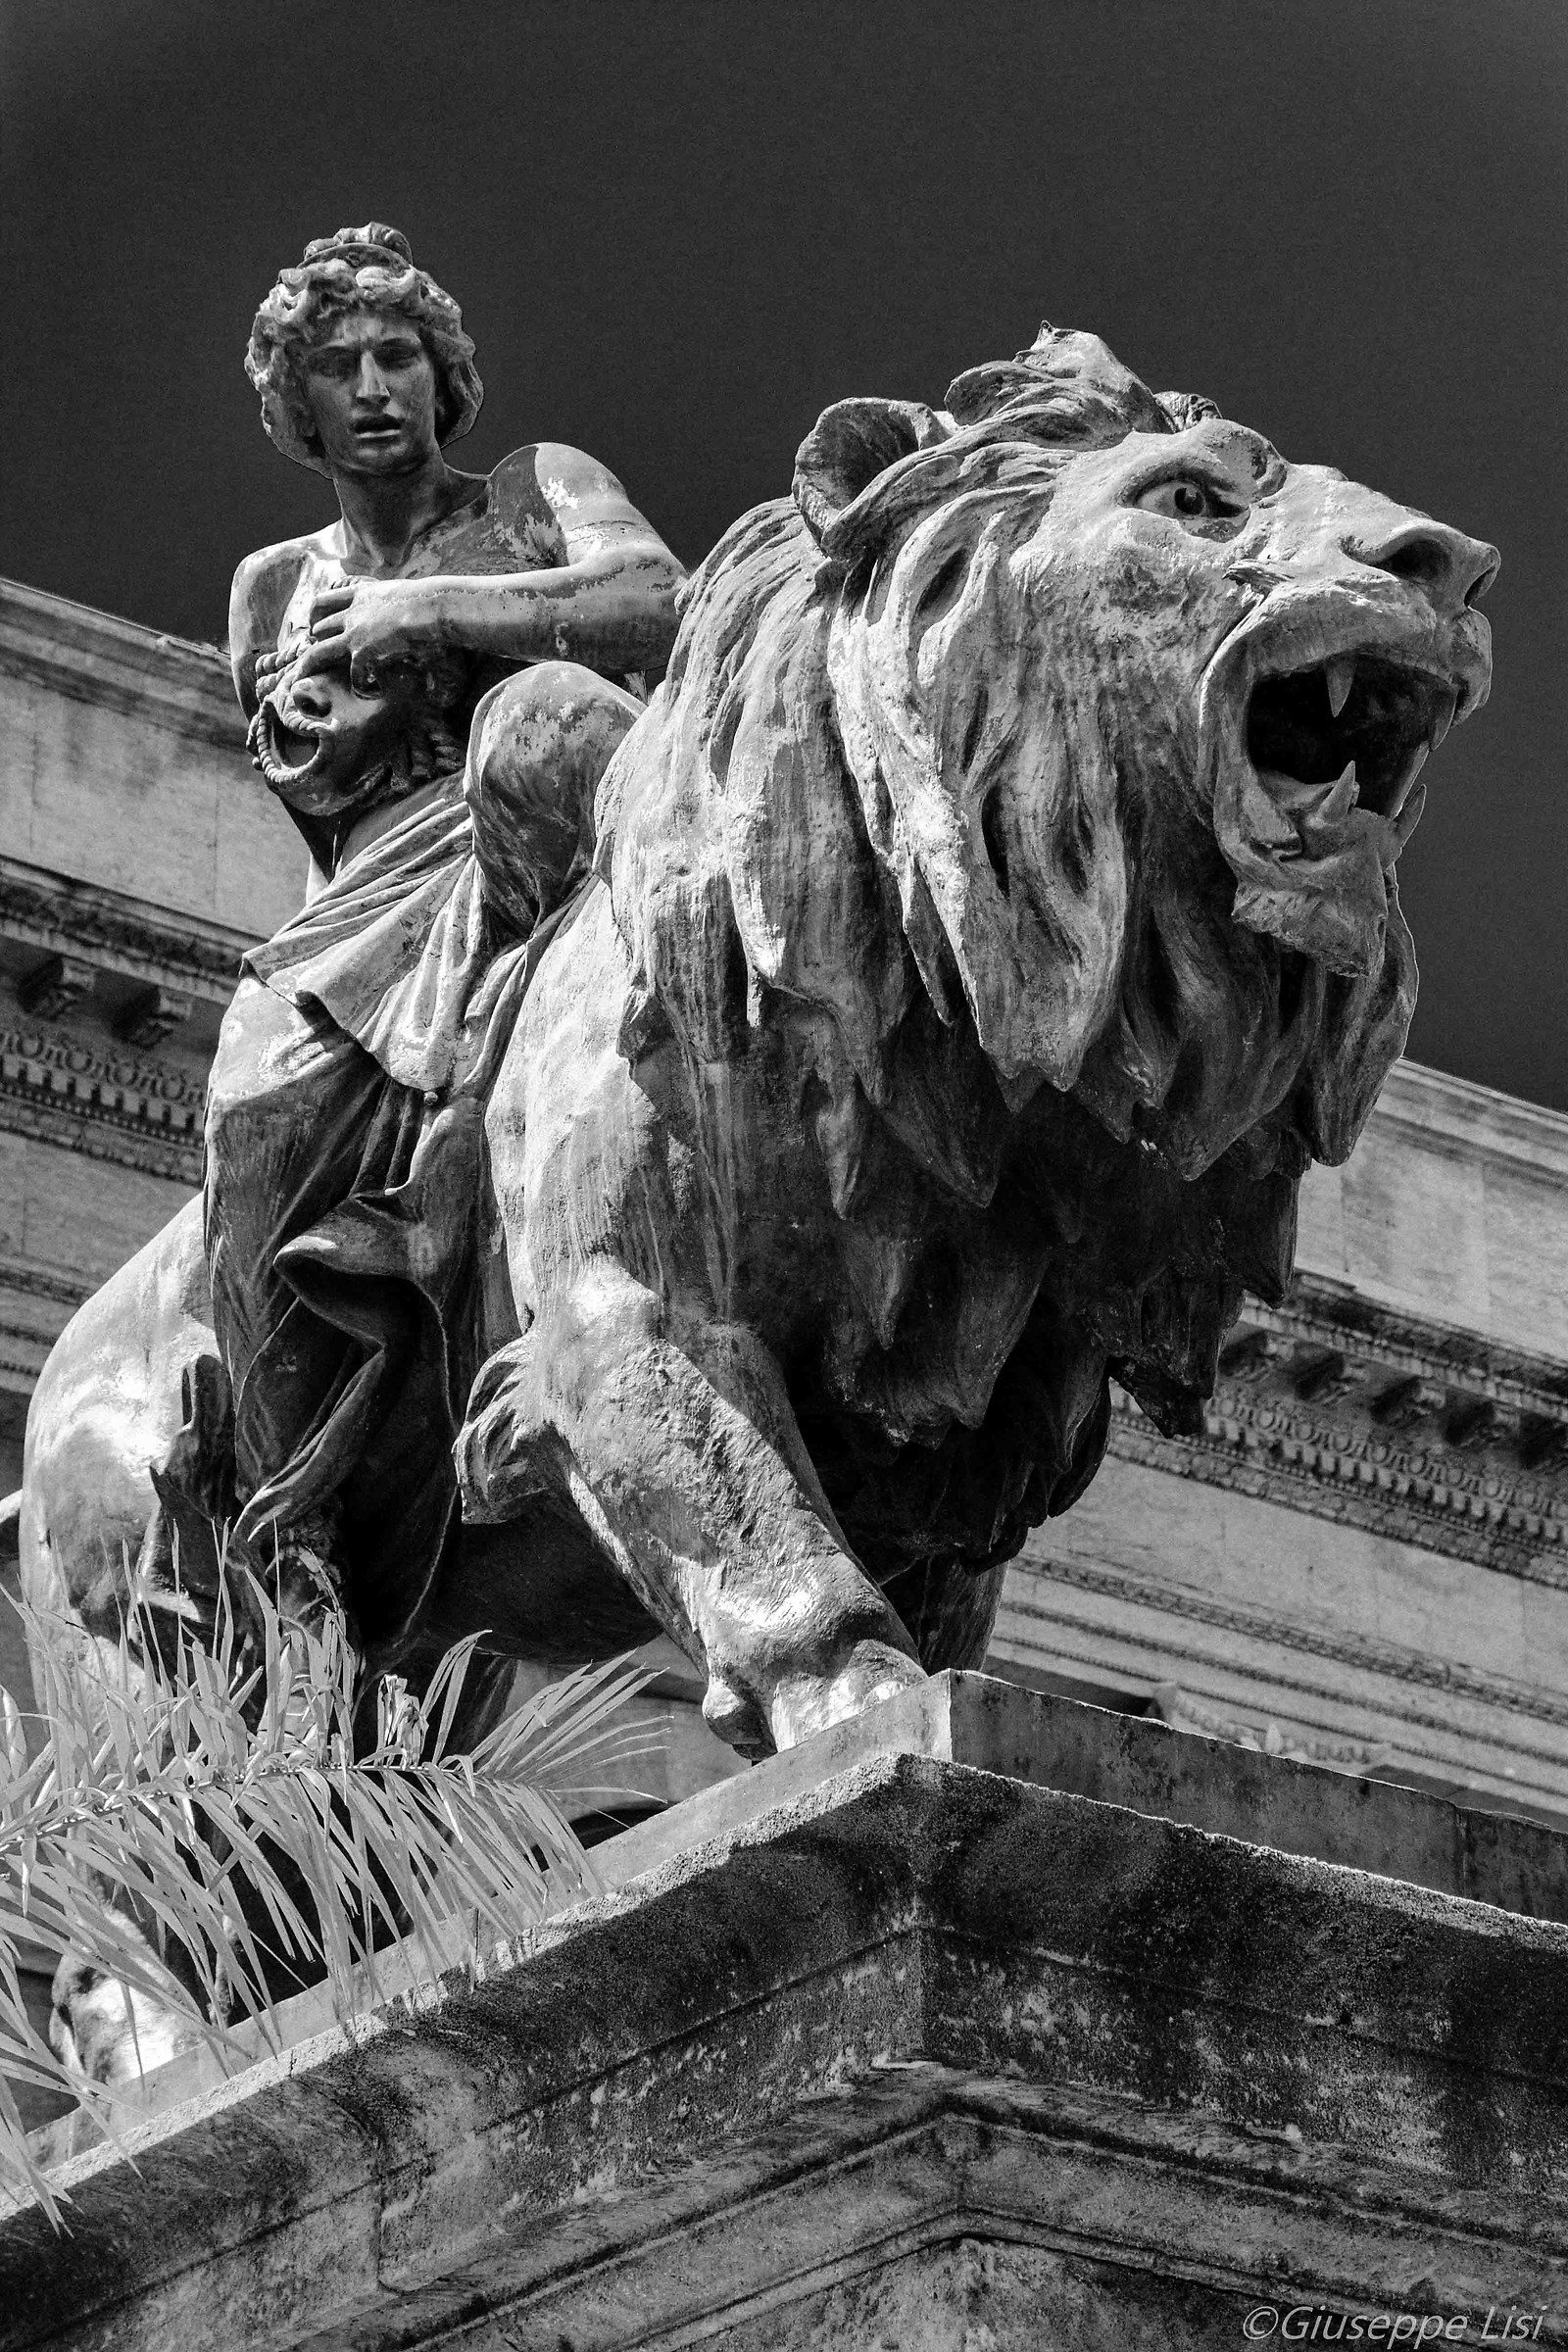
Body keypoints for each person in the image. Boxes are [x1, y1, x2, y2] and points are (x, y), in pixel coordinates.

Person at [206, 224, 682, 1655]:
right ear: (296, 404)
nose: (372, 387)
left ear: (442, 375)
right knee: (255, 1104)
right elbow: (315, 832)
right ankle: (297, 1536)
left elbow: (653, 598)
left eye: (398, 355)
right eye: (336, 365)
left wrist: (423, 608)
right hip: (369, 899)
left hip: (540, 821)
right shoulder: (268, 588)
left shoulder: (538, 490)